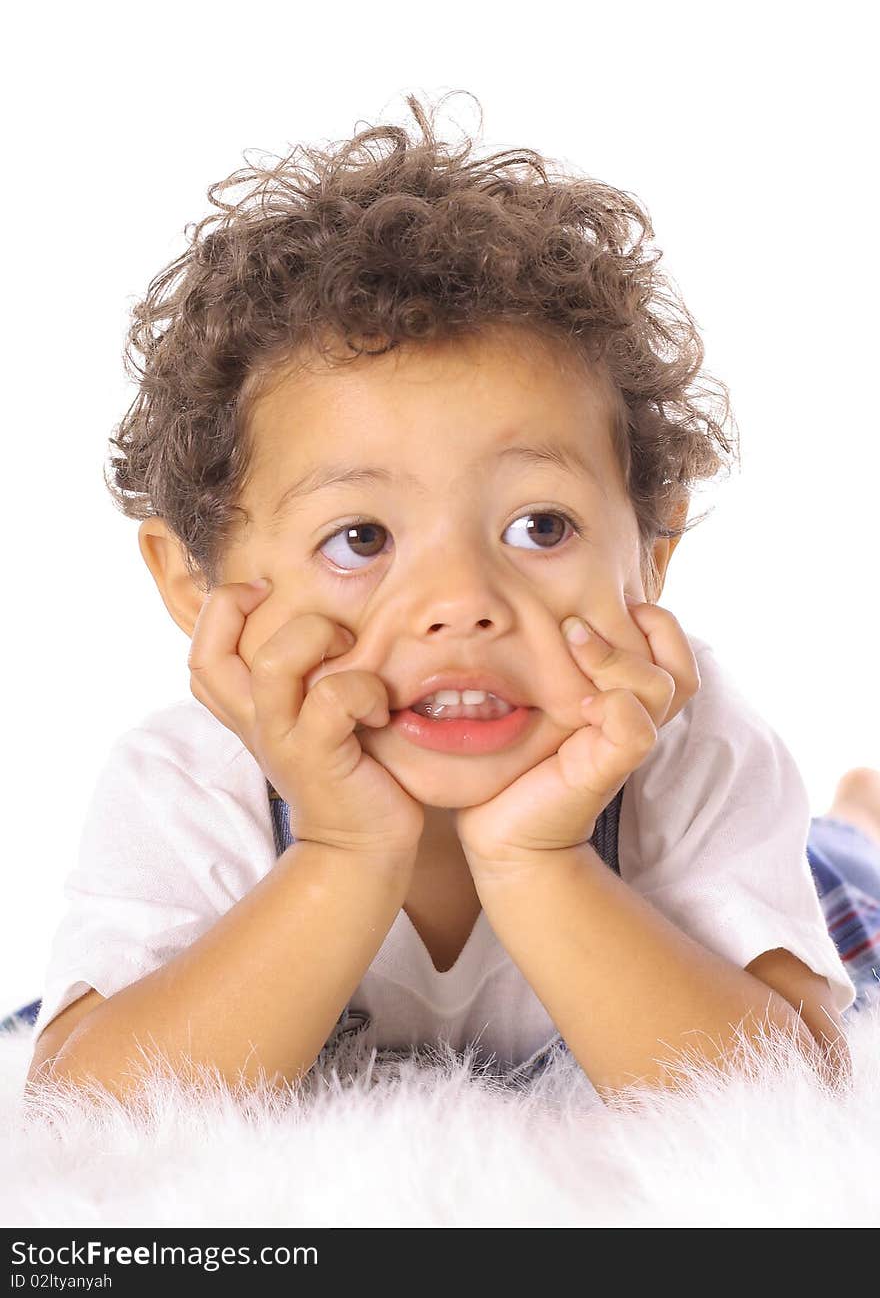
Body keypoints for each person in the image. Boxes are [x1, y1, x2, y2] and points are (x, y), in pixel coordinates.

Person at [14, 93, 880, 1107]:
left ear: (652, 549)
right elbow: (78, 1107)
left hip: (797, 881)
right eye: (361, 539)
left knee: (843, 870)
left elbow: (799, 1098)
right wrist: (342, 850)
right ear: (194, 582)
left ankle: (856, 816)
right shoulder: (193, 784)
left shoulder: (689, 751)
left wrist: (537, 858)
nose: (462, 604)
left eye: (539, 528)